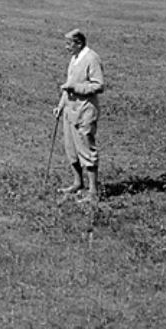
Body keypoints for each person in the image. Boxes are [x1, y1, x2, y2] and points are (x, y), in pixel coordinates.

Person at [54, 28, 105, 203]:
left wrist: (77, 88)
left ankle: (93, 191)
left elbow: (99, 85)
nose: (66, 47)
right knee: (71, 149)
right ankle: (78, 183)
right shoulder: (74, 58)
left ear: (79, 43)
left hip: (85, 111)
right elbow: (68, 84)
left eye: (69, 44)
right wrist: (60, 106)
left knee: (86, 149)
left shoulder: (91, 59)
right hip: (70, 111)